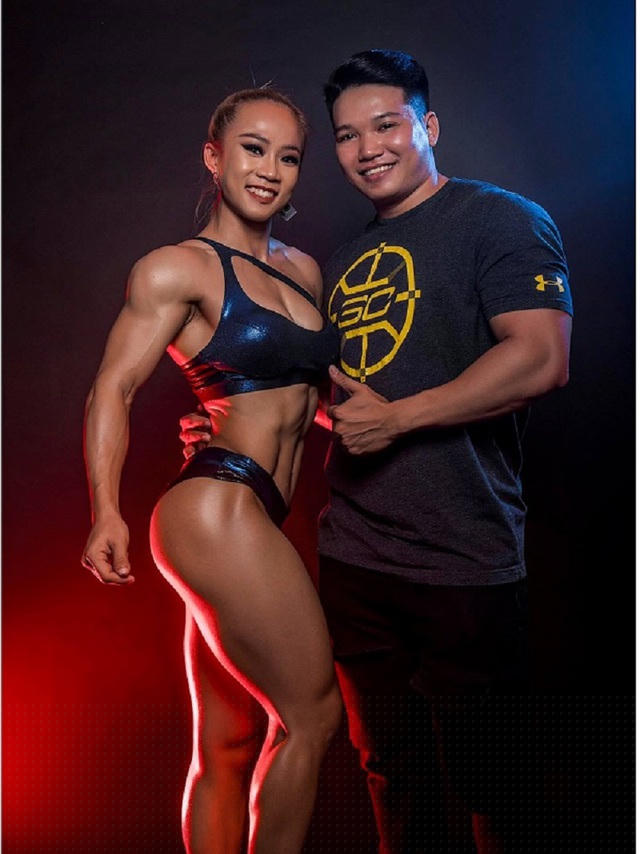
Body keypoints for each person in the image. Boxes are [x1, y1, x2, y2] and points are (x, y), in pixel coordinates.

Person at [180, 51, 573, 853]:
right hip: (356, 561)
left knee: (496, 784)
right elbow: (339, 400)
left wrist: (401, 421)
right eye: (347, 135)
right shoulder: (346, 262)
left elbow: (541, 359)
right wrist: (229, 415)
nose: (368, 149)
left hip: (465, 558)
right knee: (391, 774)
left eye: (387, 126)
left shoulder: (500, 220)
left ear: (429, 127)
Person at [81, 88, 343, 854]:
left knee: (228, 739)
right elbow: (112, 388)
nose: (269, 170)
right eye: (253, 149)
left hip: (257, 513)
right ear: (214, 156)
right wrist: (105, 511)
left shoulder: (305, 270)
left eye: (288, 157)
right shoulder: (178, 268)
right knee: (314, 716)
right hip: (215, 507)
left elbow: (305, 398)